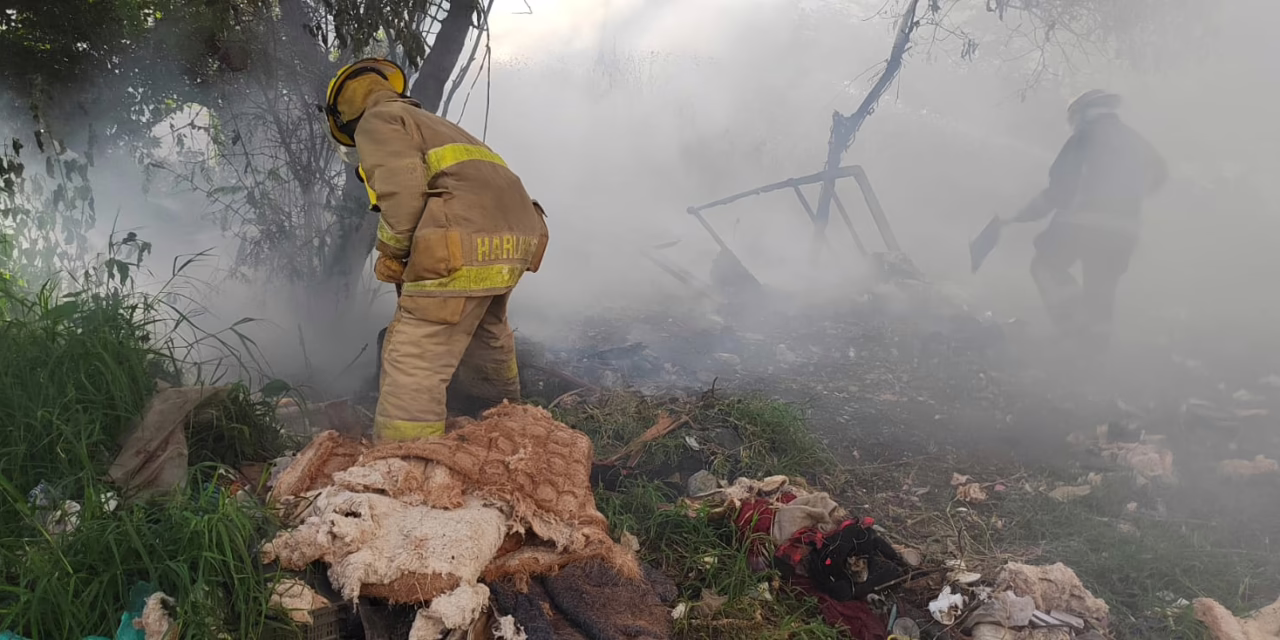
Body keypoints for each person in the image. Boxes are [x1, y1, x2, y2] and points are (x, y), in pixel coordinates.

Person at [324, 58, 549, 442]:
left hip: (461, 237)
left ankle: (407, 461)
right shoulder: (436, 125)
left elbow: (403, 192)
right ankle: (500, 430)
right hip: (520, 232)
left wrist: (393, 253)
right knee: (486, 334)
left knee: (416, 353)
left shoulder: (377, 122)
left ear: (345, 119)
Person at [1004, 90, 1167, 352]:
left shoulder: (1084, 137)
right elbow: (1159, 173)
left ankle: (1073, 328)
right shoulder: (1136, 141)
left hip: (1082, 223)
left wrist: (1023, 215)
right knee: (1101, 289)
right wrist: (1127, 199)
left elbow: (1060, 187)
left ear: (1081, 113)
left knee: (1045, 265)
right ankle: (1093, 355)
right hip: (1125, 230)